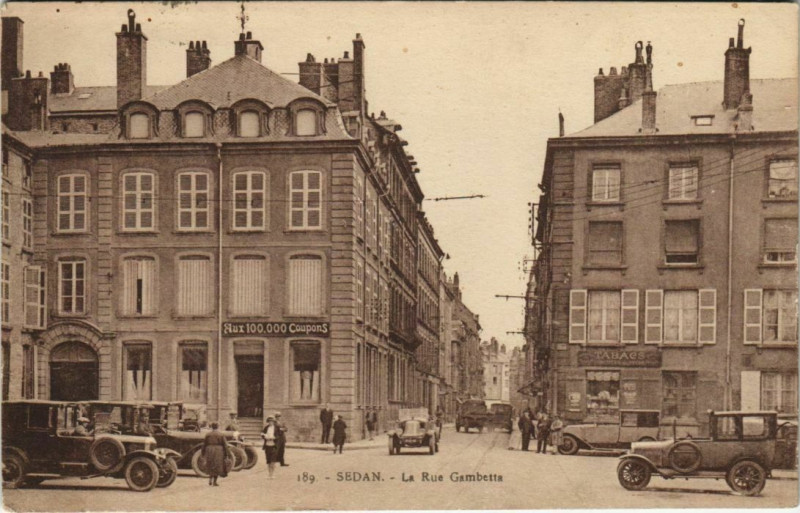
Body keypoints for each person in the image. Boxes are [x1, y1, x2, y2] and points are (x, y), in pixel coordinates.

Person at [202, 422, 230, 486]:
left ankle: (210, 480)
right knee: (217, 466)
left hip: (209, 450)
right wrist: (227, 454)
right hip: (218, 451)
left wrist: (203, 452)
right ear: (218, 427)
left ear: (212, 427)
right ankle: (215, 482)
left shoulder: (208, 434)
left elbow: (204, 444)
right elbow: (225, 445)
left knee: (210, 464)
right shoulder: (221, 434)